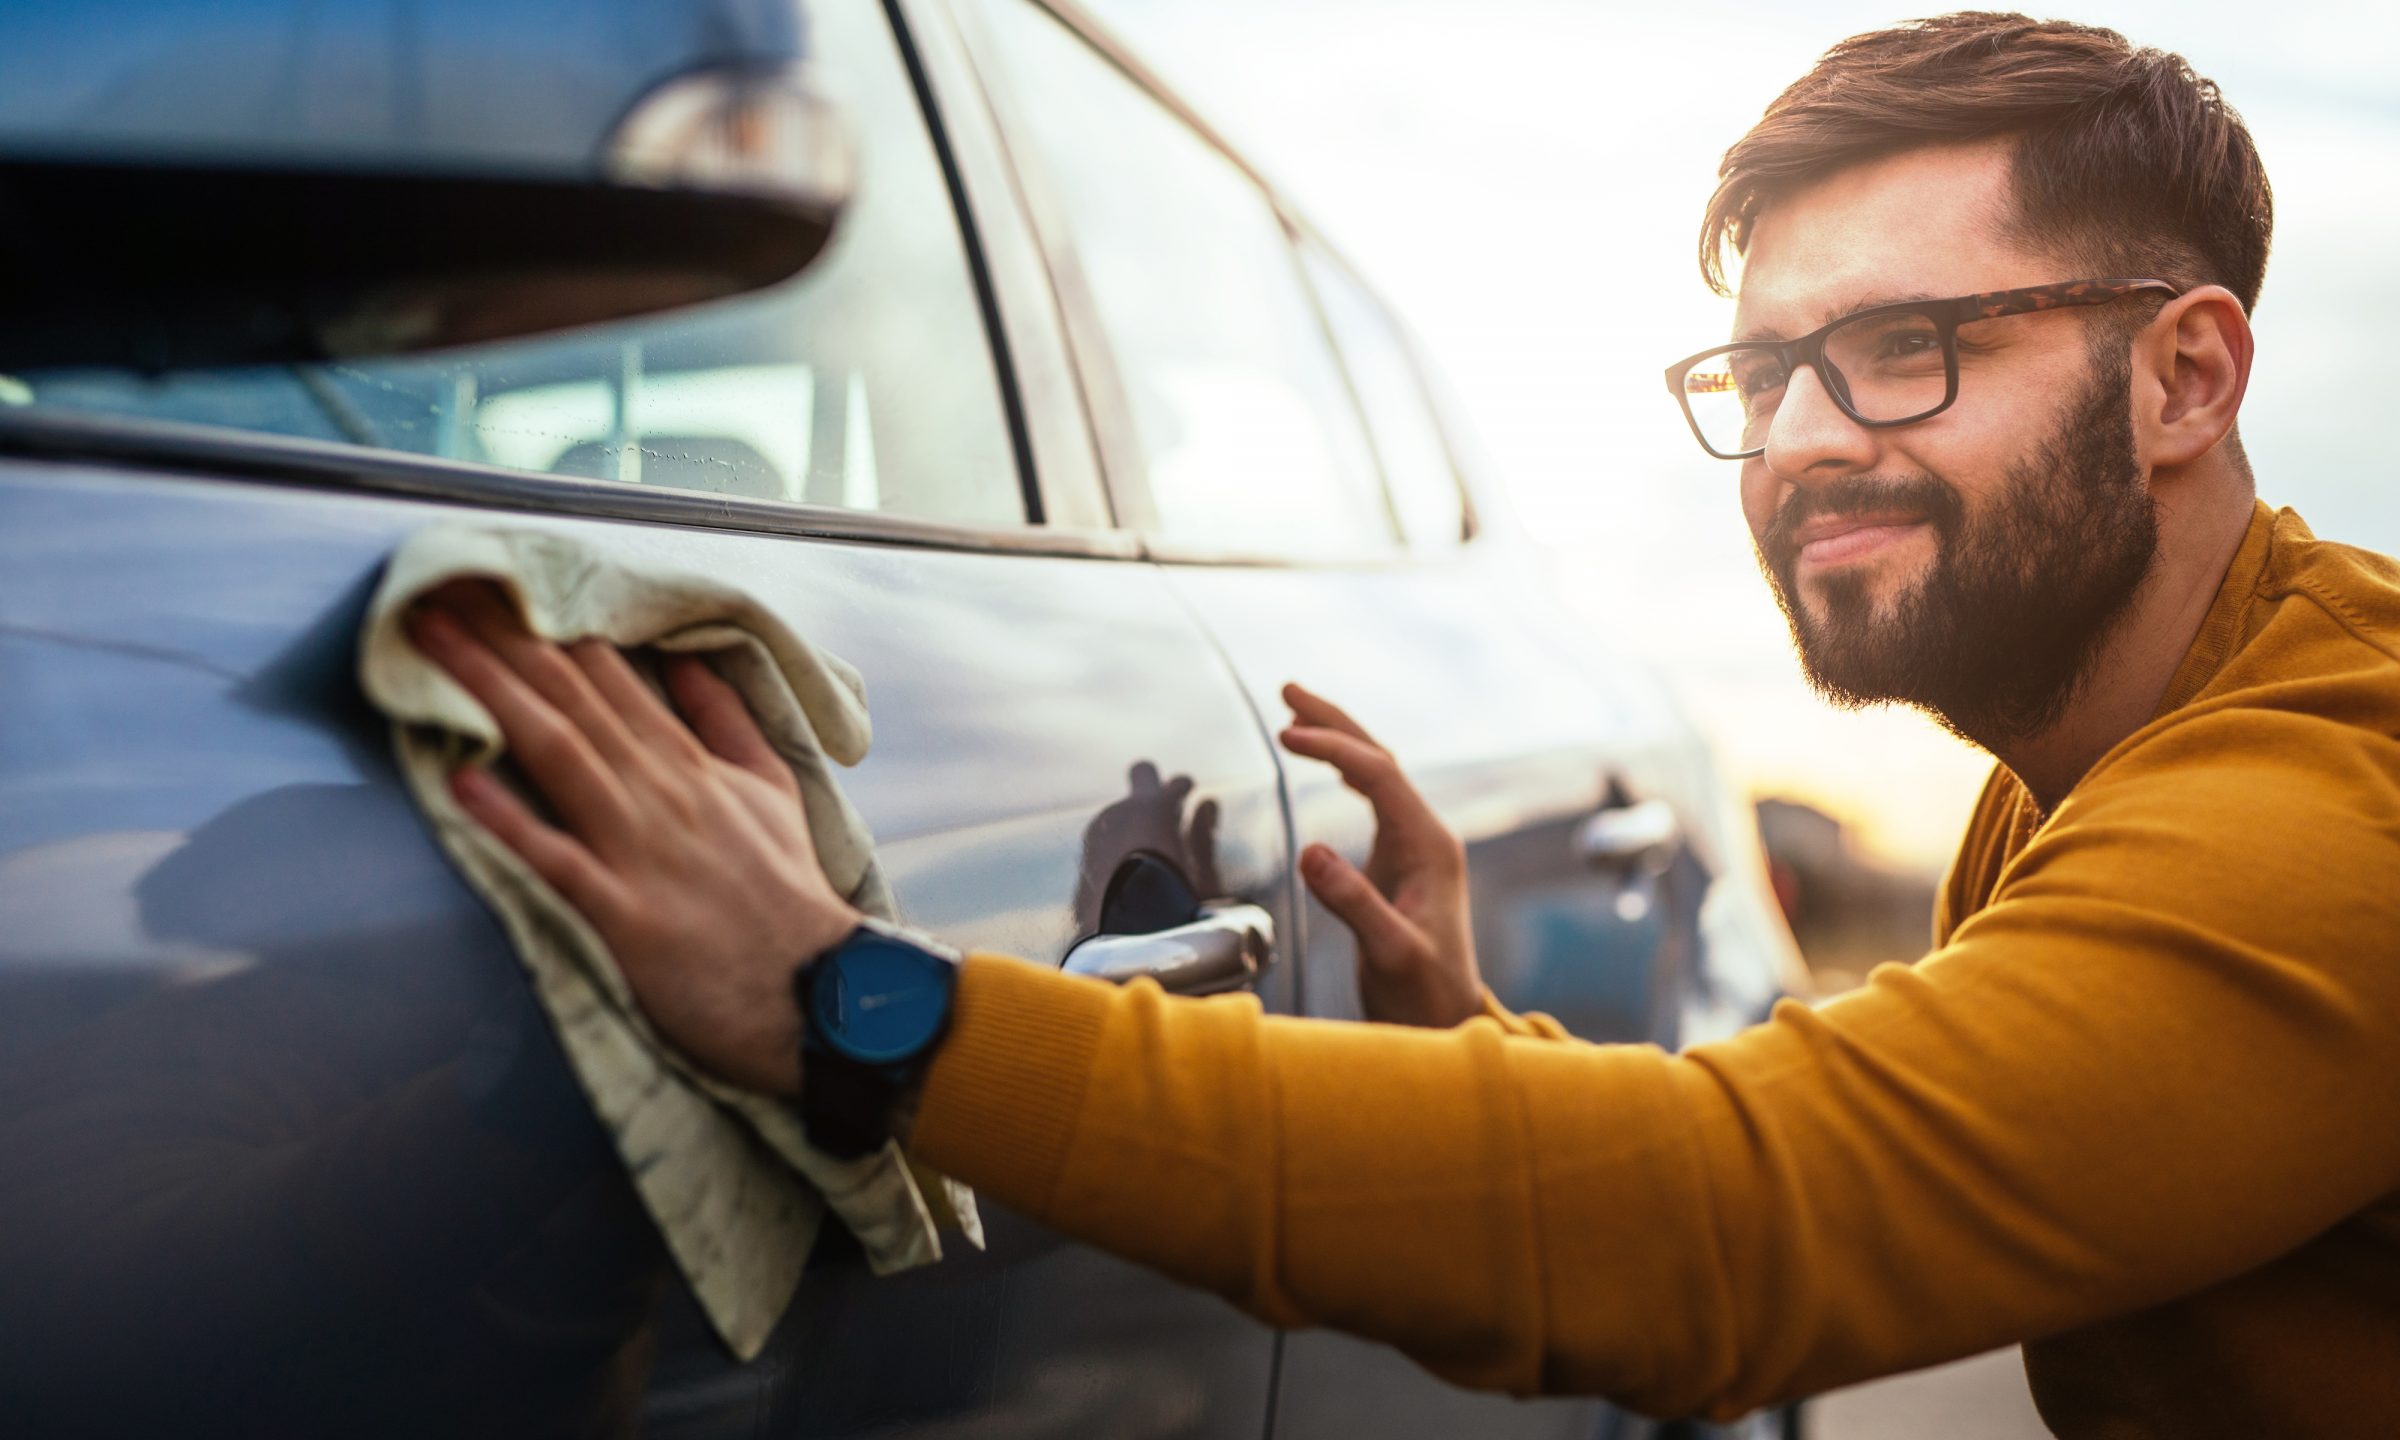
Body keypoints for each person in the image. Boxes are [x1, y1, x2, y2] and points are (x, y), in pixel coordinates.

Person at [403, 12, 2400, 1436]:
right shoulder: (2106, 749)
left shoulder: (2328, 807)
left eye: (1905, 353)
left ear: (2186, 376)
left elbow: (1755, 1224)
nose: (1799, 445)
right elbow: (1864, 1162)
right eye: (1768, 369)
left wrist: (872, 1009)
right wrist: (1476, 1053)